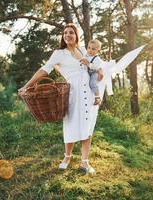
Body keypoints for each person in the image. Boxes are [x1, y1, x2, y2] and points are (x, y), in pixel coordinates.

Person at [18, 24, 102, 174]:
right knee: (70, 124)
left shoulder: (84, 50)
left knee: (87, 126)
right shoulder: (59, 53)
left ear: (76, 35)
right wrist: (26, 85)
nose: (68, 35)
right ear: (63, 37)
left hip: (89, 93)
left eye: (71, 32)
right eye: (65, 33)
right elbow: (44, 70)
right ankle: (67, 157)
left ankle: (84, 162)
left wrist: (100, 73)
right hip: (72, 93)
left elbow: (95, 64)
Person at [79, 39, 103, 105]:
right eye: (89, 48)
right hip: (88, 72)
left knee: (92, 83)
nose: (90, 50)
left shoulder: (97, 58)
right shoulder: (86, 55)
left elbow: (96, 67)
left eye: (93, 49)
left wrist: (88, 64)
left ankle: (97, 97)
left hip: (94, 72)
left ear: (97, 50)